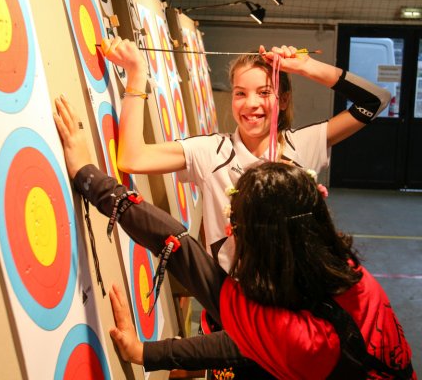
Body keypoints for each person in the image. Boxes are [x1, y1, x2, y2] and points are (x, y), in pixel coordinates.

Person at [53, 96, 415, 380]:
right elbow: (253, 340)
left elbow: (178, 249)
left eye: (237, 225)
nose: (229, 229)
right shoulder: (345, 271)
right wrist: (148, 354)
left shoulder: (291, 336)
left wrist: (87, 176)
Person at [98, 37, 391, 273]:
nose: (251, 104)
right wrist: (136, 76)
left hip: (293, 301)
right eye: (240, 93)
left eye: (264, 92)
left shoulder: (304, 144)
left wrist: (306, 67)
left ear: (283, 99)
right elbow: (133, 159)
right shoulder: (210, 151)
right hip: (230, 303)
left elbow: (376, 100)